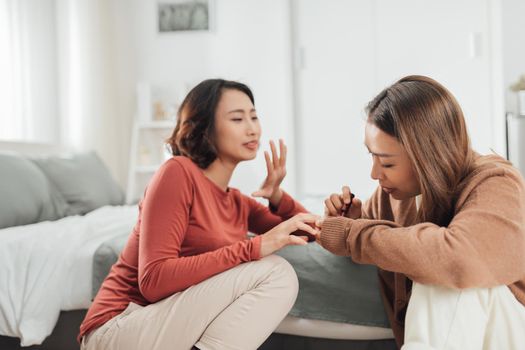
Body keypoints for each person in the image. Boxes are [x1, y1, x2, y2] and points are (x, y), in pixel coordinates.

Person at [78, 79, 320, 350]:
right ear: (205, 129)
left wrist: (277, 195)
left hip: (166, 328)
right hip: (117, 328)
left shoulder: (237, 201)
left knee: (277, 273)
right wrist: (254, 247)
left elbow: (307, 231)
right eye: (238, 119)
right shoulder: (177, 172)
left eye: (254, 116)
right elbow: (153, 280)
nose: (252, 128)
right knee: (275, 273)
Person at [315, 75, 525, 349]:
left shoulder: (497, 183)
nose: (374, 174)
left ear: (428, 155)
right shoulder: (394, 196)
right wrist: (354, 222)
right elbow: (382, 243)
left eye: (387, 164)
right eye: (372, 157)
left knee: (442, 273)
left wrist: (353, 236)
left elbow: (457, 260)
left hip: (509, 328)